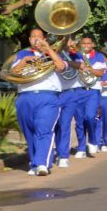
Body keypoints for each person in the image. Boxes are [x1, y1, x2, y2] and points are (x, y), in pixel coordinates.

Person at [11, 28, 66, 175]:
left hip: (47, 96)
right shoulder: (21, 54)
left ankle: (42, 164)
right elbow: (12, 73)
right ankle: (35, 162)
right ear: (29, 40)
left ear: (45, 39)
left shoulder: (53, 53)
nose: (36, 39)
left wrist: (48, 49)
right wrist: (24, 61)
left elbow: (61, 67)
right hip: (25, 96)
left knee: (44, 129)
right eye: (33, 37)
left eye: (39, 37)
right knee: (29, 131)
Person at [54, 37, 87, 168]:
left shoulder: (76, 55)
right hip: (55, 93)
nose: (66, 42)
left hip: (69, 92)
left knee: (65, 124)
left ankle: (63, 156)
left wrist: (65, 62)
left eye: (67, 40)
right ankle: (57, 150)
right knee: (55, 125)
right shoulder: (52, 53)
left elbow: (80, 66)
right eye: (61, 39)